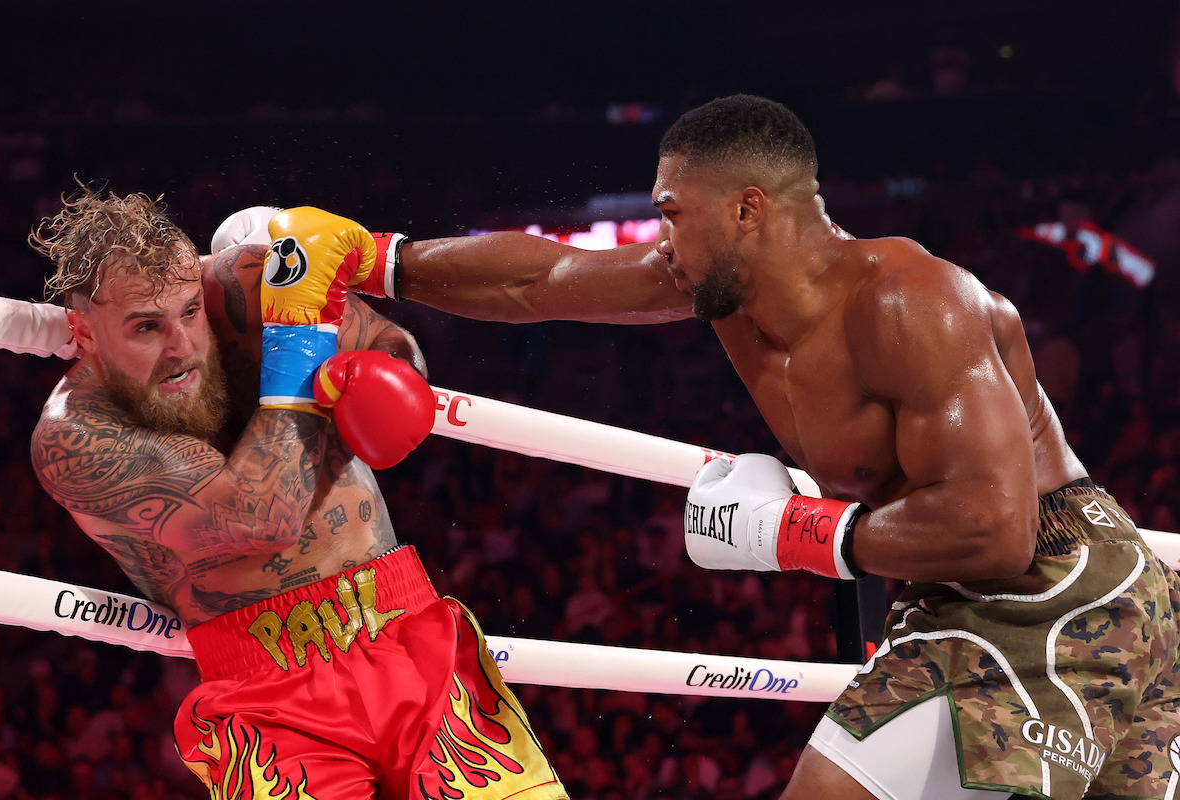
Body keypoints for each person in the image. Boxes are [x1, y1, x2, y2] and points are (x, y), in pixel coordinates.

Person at [280, 94, 1180, 799]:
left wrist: (793, 533)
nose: (661, 239)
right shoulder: (721, 293)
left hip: (1054, 581)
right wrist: (376, 260)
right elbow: (539, 277)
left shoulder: (911, 302)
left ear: (748, 209)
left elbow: (996, 531)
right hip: (978, 588)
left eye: (673, 212)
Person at [26, 187, 568, 800]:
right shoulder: (76, 438)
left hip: (405, 628)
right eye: (146, 327)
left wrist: (385, 385)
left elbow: (393, 346)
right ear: (84, 332)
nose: (180, 345)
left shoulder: (244, 284)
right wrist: (304, 349)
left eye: (188, 311)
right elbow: (262, 518)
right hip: (267, 696)